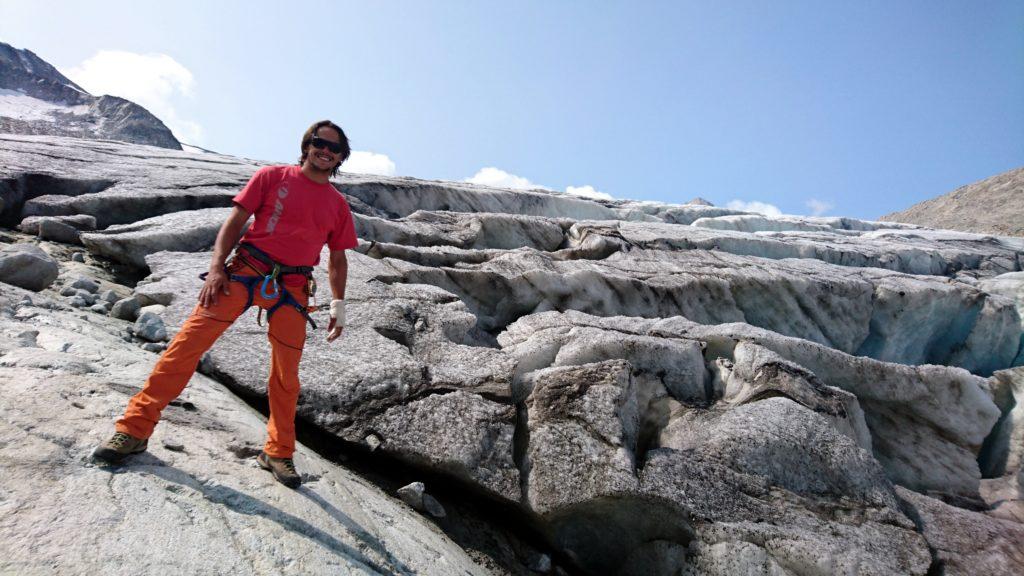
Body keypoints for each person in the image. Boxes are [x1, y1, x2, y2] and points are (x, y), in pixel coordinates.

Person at [93, 120, 358, 488]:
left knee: (286, 376)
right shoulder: (272, 177)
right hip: (244, 272)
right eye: (319, 143)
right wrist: (216, 268)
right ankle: (133, 429)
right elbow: (236, 221)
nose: (325, 151)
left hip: (293, 289)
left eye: (334, 148)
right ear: (306, 145)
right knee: (185, 349)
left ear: (341, 157)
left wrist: (338, 306)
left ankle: (278, 451)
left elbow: (338, 259)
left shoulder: (338, 206)